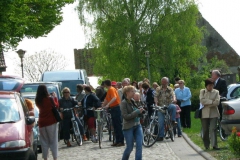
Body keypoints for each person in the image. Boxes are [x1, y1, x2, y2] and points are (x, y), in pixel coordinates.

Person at [120, 86, 144, 160]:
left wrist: (140, 111)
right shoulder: (123, 103)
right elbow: (126, 116)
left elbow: (136, 113)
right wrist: (136, 112)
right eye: (132, 91)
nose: (134, 93)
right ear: (127, 93)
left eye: (134, 91)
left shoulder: (133, 101)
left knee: (139, 145)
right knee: (130, 147)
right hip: (128, 127)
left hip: (137, 125)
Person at [35, 85, 58, 160]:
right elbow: (56, 106)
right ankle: (55, 157)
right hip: (51, 121)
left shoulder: (37, 100)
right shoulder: (49, 99)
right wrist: (55, 98)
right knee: (53, 141)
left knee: (44, 142)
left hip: (42, 122)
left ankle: (45, 158)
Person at [102, 79, 124, 146]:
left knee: (118, 125)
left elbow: (114, 98)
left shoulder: (111, 89)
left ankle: (121, 141)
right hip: (113, 108)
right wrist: (102, 106)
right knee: (115, 125)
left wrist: (108, 105)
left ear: (106, 84)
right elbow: (106, 99)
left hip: (116, 108)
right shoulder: (109, 90)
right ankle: (117, 140)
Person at [199, 78, 220, 150]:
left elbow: (217, 102)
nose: (211, 87)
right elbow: (202, 101)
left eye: (212, 85)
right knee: (205, 130)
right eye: (209, 85)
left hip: (214, 113)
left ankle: (214, 145)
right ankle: (206, 145)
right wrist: (211, 102)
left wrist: (207, 103)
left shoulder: (216, 92)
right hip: (204, 113)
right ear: (206, 85)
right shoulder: (202, 91)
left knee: (213, 129)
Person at [154, 77, 177, 141]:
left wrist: (174, 99)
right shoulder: (158, 89)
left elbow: (173, 95)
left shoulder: (170, 89)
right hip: (161, 107)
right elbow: (155, 96)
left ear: (167, 83)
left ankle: (173, 120)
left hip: (168, 105)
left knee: (173, 106)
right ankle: (161, 136)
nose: (164, 84)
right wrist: (156, 103)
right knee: (160, 122)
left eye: (165, 82)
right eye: (162, 82)